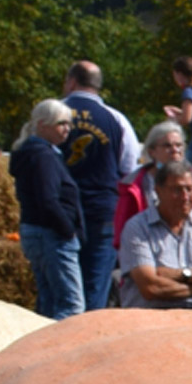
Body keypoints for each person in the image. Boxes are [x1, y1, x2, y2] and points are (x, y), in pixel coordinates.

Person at [60, 61, 139, 312]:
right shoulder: (116, 120)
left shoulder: (51, 113)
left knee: (61, 288)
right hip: (101, 210)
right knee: (95, 286)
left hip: (59, 210)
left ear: (72, 82)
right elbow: (129, 169)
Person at [117, 163, 192, 311]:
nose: (185, 197)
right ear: (158, 191)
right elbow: (151, 288)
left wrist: (181, 274)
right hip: (153, 316)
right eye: (177, 190)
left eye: (190, 189)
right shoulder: (137, 227)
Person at [11, 99, 87, 320]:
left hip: (37, 232)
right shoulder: (43, 156)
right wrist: (68, 230)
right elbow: (48, 200)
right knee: (71, 307)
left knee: (48, 304)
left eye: (69, 124)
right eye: (61, 123)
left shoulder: (35, 153)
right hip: (51, 235)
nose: (67, 129)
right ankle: (62, 352)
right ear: (43, 125)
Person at [114, 121, 189, 245]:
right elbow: (123, 231)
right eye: (167, 146)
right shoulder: (135, 186)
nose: (175, 150)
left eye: (179, 145)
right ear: (151, 152)